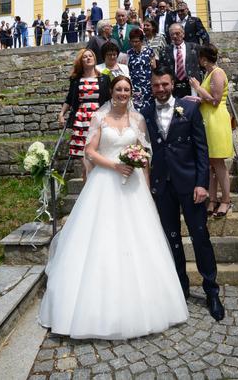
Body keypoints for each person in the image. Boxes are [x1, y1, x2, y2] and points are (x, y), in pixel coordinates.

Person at [39, 75, 189, 339]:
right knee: (101, 240)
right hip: (104, 183)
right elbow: (90, 151)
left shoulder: (138, 120)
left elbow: (145, 155)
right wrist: (113, 165)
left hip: (132, 187)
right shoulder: (99, 117)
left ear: (131, 93)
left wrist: (146, 185)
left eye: (127, 90)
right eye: (118, 89)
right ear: (111, 91)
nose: (122, 93)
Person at [141, 67, 225, 321]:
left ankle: (211, 291)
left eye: (164, 84)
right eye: (156, 85)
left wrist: (202, 184)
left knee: (200, 239)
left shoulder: (189, 109)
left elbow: (202, 149)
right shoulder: (144, 113)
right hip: (162, 187)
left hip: (191, 186)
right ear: (151, 86)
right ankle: (181, 289)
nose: (161, 89)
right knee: (172, 240)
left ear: (172, 83)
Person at [188, 44, 234, 218]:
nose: (199, 61)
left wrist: (197, 87)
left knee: (218, 163)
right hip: (207, 119)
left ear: (204, 58)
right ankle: (213, 199)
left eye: (200, 58)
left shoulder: (218, 73)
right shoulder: (209, 74)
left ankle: (226, 200)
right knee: (208, 163)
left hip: (216, 120)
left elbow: (215, 100)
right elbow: (206, 99)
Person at [58, 49, 112, 173]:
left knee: (99, 151)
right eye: (85, 57)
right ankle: (89, 183)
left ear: (94, 59)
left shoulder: (104, 78)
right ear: (81, 61)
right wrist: (61, 114)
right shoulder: (76, 80)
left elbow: (110, 100)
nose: (88, 58)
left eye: (90, 56)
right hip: (81, 120)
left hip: (99, 119)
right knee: (84, 157)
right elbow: (69, 99)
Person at [159, 23, 203, 100]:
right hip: (174, 88)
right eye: (172, 34)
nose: (175, 36)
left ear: (183, 34)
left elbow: (203, 66)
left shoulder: (195, 48)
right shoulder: (164, 51)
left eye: (177, 33)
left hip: (192, 87)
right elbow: (162, 70)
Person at [127, 27, 155, 109]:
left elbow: (154, 68)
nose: (134, 44)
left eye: (136, 41)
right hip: (135, 88)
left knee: (149, 109)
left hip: (148, 87)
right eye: (132, 42)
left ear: (142, 41)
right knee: (137, 109)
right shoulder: (128, 53)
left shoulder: (149, 51)